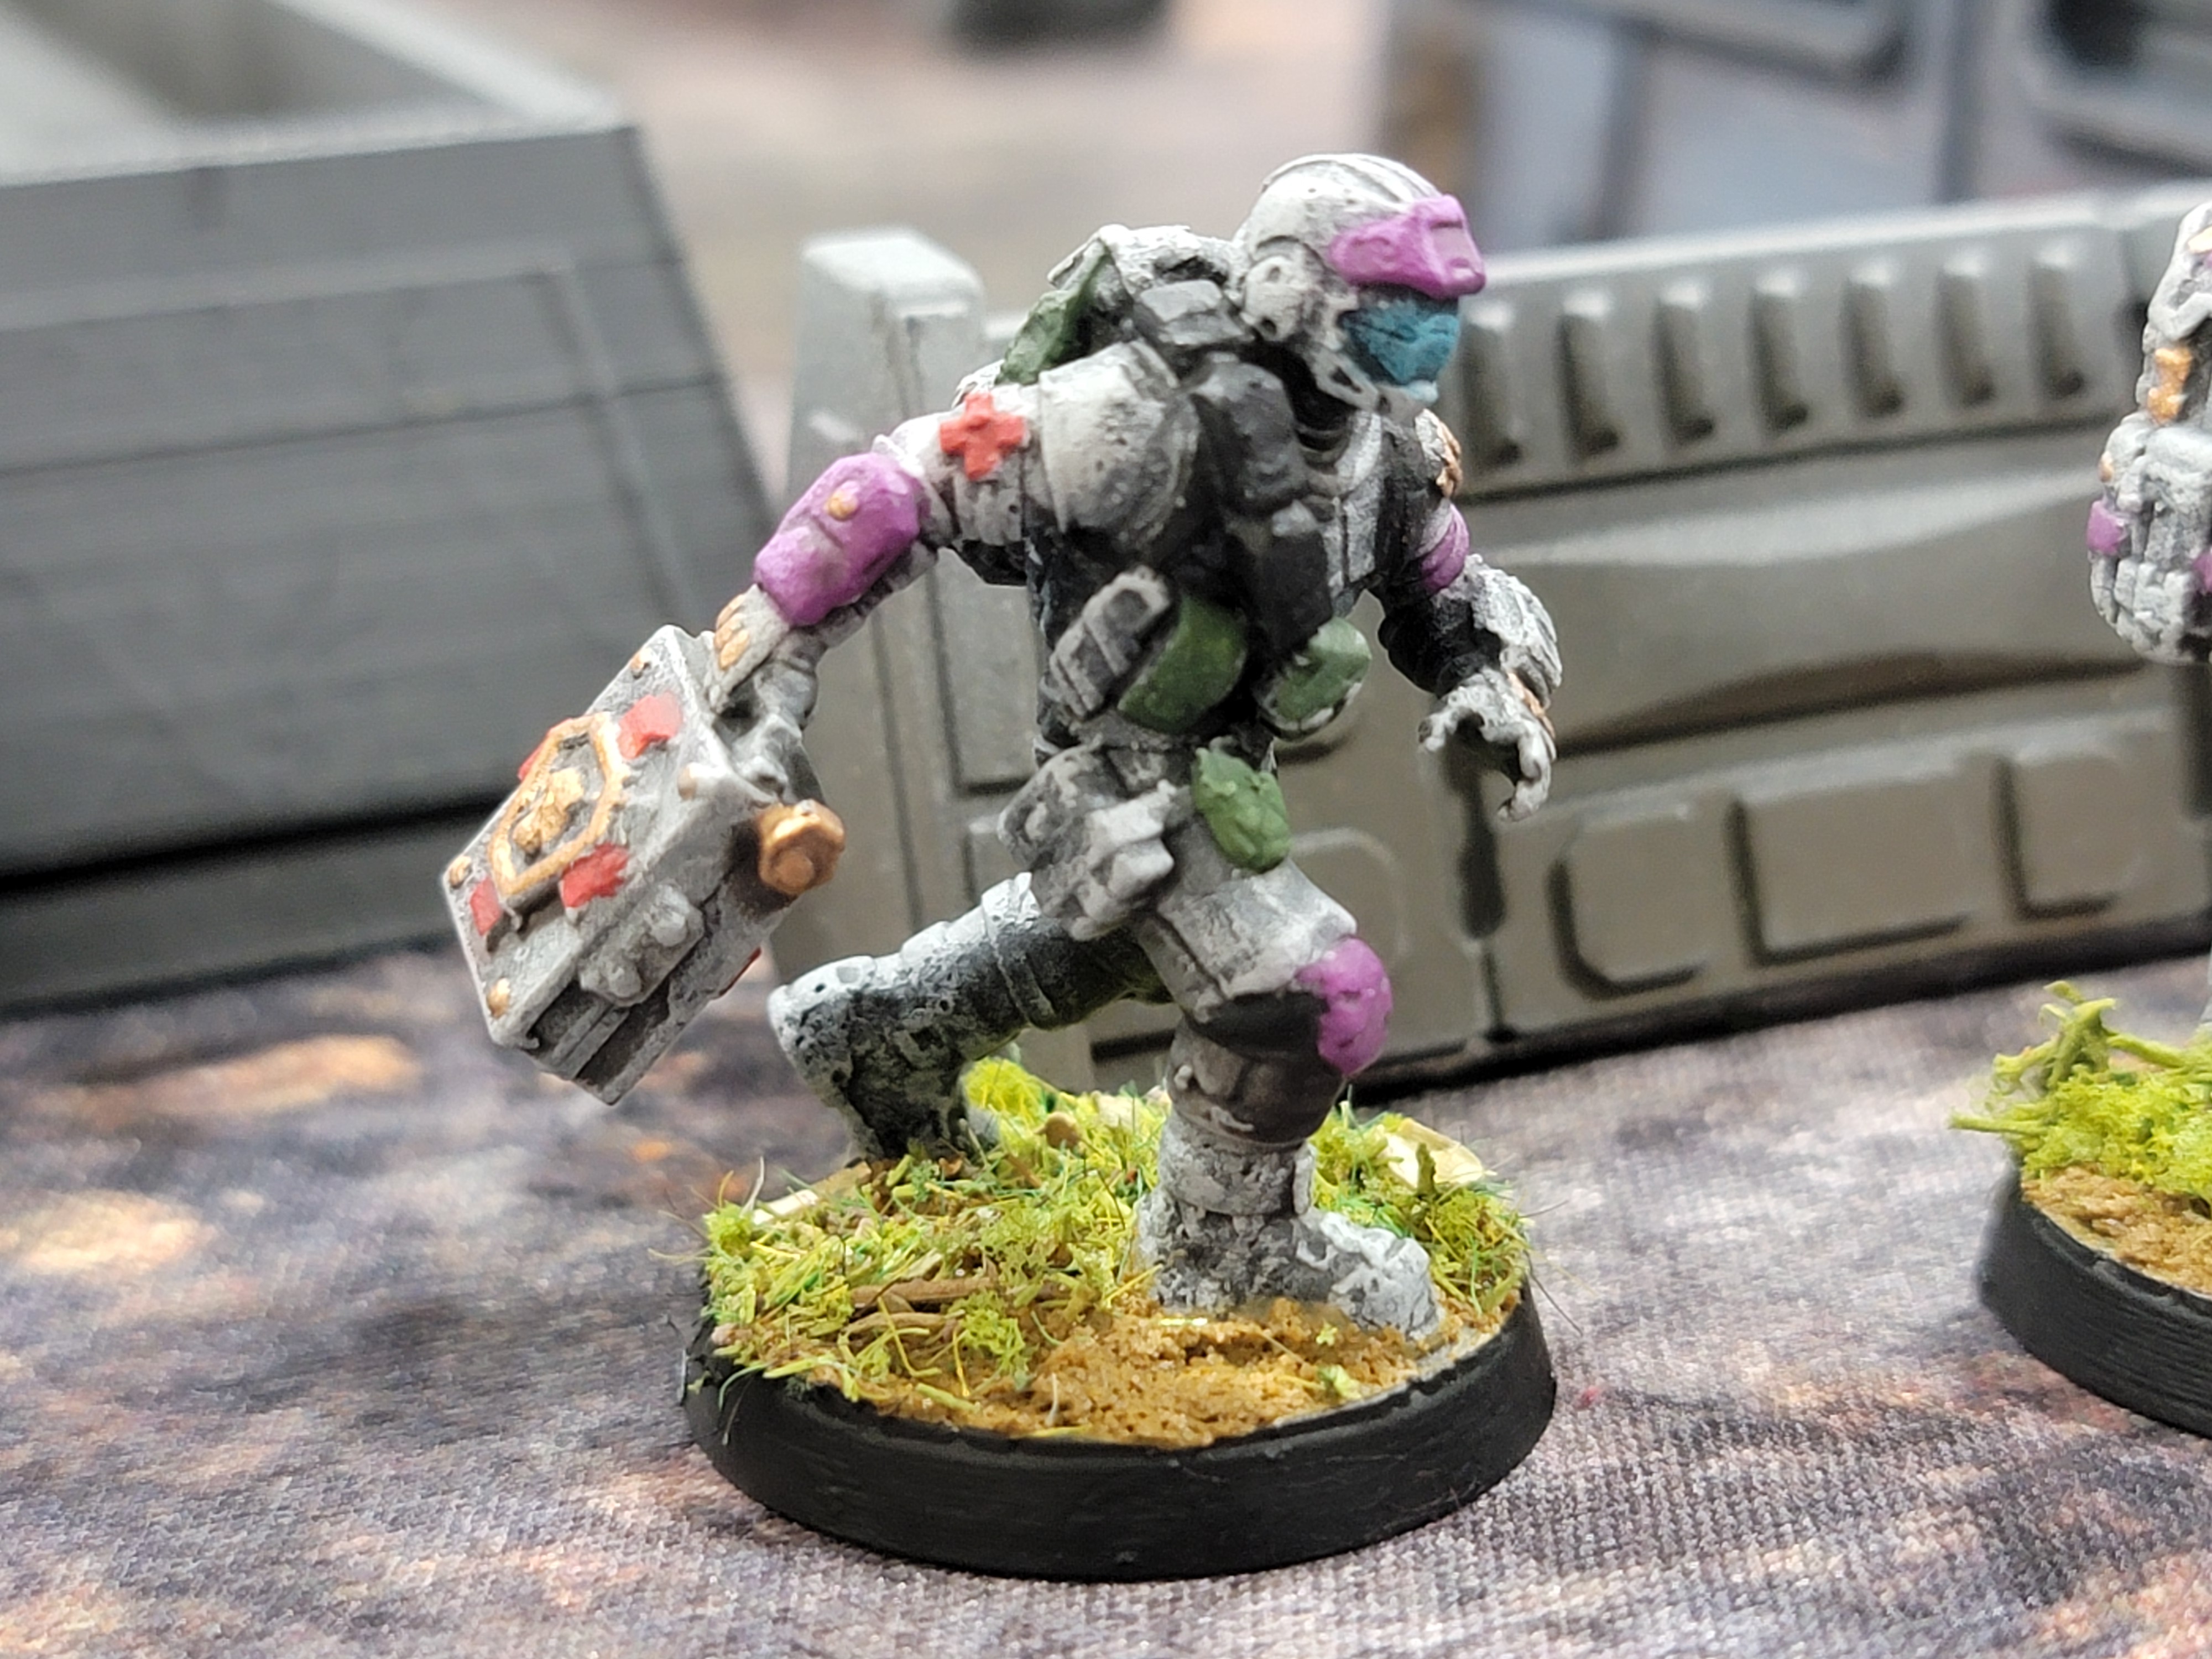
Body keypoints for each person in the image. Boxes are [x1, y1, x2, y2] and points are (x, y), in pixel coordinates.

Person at [736, 154, 1560, 1335]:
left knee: (1106, 954)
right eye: (1393, 317)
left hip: (1225, 772)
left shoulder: (1384, 457)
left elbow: (1447, 591)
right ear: (1288, 292)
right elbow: (904, 481)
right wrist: (773, 644)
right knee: (1308, 999)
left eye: (1436, 319)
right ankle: (1225, 1250)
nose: (1420, 347)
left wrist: (1492, 681)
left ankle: (872, 1035)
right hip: (1115, 777)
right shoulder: (1132, 420)